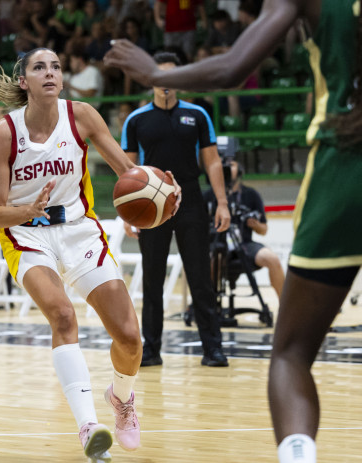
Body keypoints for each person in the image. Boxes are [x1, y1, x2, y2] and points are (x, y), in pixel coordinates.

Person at [104, 1, 362, 461]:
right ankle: (152, 352)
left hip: (343, 172)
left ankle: (294, 450)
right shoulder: (137, 120)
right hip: (161, 205)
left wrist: (156, 69)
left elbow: (233, 68)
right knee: (155, 285)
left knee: (290, 352)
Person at [0, 47, 180, 462]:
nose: (51, 73)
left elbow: (127, 171)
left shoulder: (83, 116)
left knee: (129, 337)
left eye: (56, 66)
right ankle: (89, 426)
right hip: (25, 234)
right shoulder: (3, 133)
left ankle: (121, 398)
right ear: (24, 81)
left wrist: (159, 190)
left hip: (79, 231)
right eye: (40, 67)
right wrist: (27, 211)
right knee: (63, 315)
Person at [120, 51, 231, 368]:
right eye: (160, 77)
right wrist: (129, 212)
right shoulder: (136, 119)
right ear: (152, 80)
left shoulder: (197, 115)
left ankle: (213, 349)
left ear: (179, 79)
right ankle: (151, 350)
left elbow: (211, 160)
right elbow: (127, 168)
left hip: (192, 201)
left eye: (172, 76)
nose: (166, 83)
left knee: (200, 279)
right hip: (152, 206)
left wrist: (221, 202)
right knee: (152, 279)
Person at [204, 159, 286, 298]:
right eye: (223, 164)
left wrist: (255, 225)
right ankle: (207, 307)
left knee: (272, 259)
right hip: (216, 245)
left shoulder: (251, 194)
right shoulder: (208, 195)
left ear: (240, 170)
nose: (227, 167)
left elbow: (264, 230)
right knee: (209, 261)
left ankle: (285, 308)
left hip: (244, 244)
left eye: (231, 164)